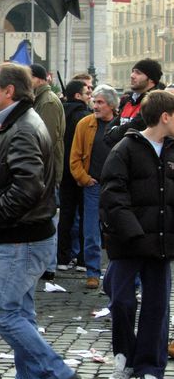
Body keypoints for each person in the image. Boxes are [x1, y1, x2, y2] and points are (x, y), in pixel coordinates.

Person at [0, 63, 81, 379]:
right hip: (24, 235)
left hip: (22, 237)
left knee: (2, 313)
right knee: (19, 313)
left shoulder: (22, 127)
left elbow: (27, 187)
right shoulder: (17, 121)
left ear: (9, 91)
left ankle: (59, 375)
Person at [99, 90, 174, 379]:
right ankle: (124, 358)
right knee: (122, 302)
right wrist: (135, 233)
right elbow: (113, 195)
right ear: (165, 117)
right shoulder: (126, 148)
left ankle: (150, 372)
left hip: (162, 243)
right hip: (129, 242)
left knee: (157, 308)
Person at [70, 85, 119, 289]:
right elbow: (75, 157)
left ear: (112, 106)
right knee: (90, 230)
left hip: (117, 187)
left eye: (100, 102)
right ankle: (92, 272)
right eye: (95, 101)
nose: (95, 105)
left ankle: (124, 274)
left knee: (119, 230)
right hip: (93, 186)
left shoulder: (121, 125)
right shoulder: (85, 124)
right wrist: (84, 178)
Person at [31, 63, 66, 281]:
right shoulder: (40, 100)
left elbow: (47, 138)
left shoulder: (48, 102)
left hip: (48, 170)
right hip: (43, 169)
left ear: (40, 79)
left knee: (49, 219)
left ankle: (48, 265)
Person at [57, 80, 92, 272]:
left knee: (66, 215)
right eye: (87, 93)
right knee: (85, 216)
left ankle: (62, 258)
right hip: (81, 171)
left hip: (64, 171)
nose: (89, 96)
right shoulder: (86, 117)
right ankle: (82, 259)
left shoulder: (60, 112)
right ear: (78, 96)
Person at [105, 58, 162, 147]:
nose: (132, 75)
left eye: (138, 73)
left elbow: (135, 127)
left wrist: (115, 133)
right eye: (133, 72)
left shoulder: (155, 103)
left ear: (151, 79)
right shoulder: (128, 100)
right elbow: (107, 132)